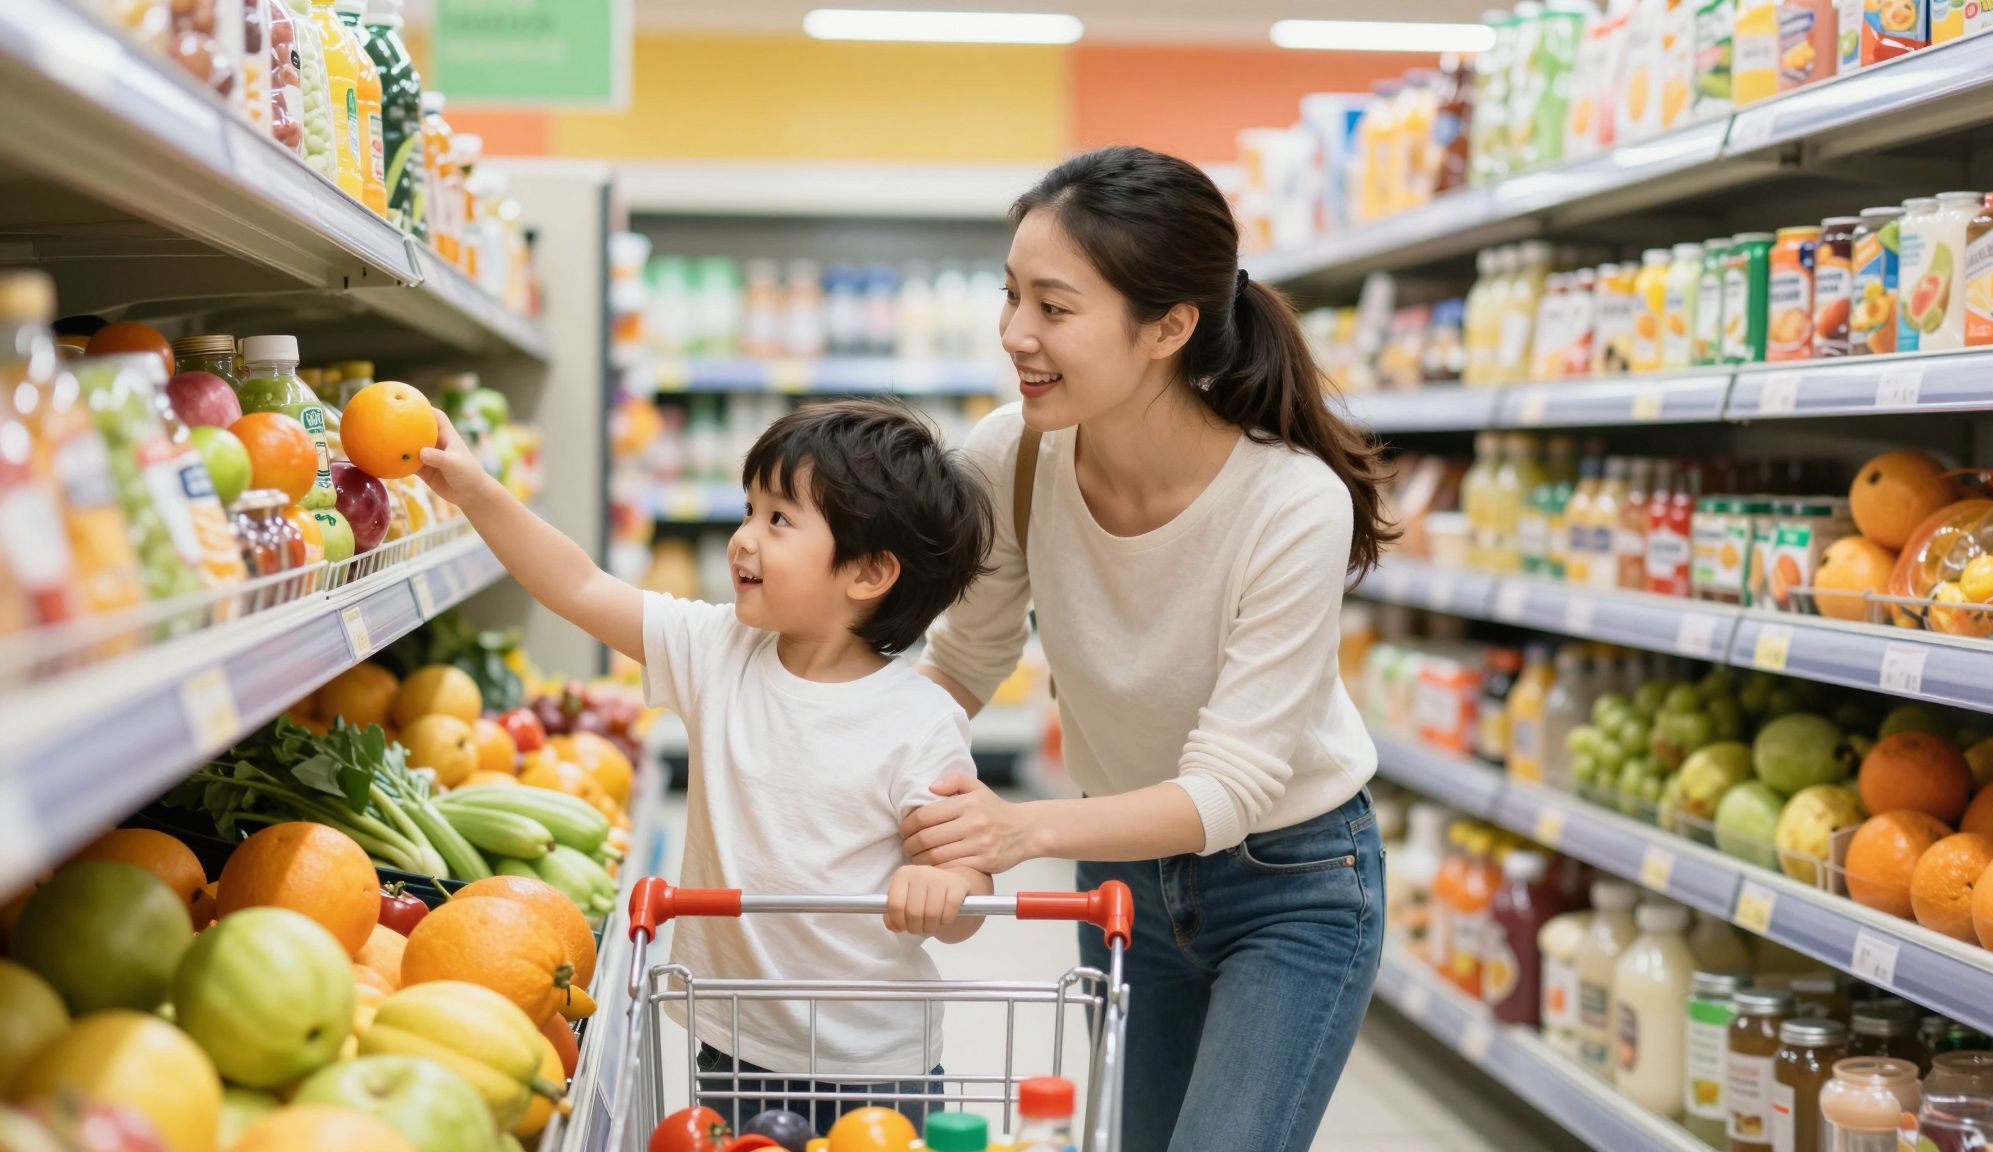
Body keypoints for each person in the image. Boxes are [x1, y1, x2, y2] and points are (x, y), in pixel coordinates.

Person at [902, 146, 1397, 1152]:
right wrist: (835, 743)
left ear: (1167, 327)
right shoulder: (1017, 454)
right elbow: (963, 660)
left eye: (1052, 307)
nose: (1013, 335)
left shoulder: (1288, 502)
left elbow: (1228, 788)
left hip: (1288, 884)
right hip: (1121, 873)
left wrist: (1018, 834)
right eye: (1010, 299)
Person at [418, 399, 996, 1128]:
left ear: (869, 572)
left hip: (876, 1066)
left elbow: (970, 882)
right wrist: (475, 489)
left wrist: (941, 888)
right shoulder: (718, 652)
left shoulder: (918, 721)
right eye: (748, 510)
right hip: (734, 1042)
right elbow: (579, 586)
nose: (742, 541)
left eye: (779, 520)